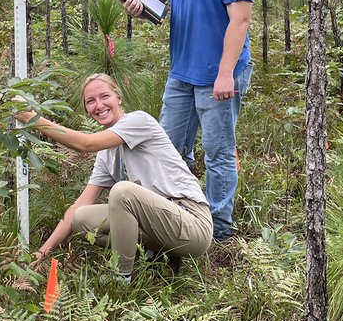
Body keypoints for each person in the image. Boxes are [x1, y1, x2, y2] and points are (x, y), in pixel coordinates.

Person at [120, 0, 253, 242]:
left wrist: (226, 74)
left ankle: (218, 231)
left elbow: (240, 21)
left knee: (219, 154)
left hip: (219, 75)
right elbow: (155, 6)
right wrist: (137, 7)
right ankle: (176, 216)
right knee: (165, 148)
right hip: (181, 73)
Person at [15, 73, 213, 281]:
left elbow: (85, 144)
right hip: (159, 224)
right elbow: (79, 204)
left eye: (104, 96)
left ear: (118, 97)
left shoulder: (139, 121)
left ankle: (121, 278)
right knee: (81, 219)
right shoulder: (106, 154)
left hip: (192, 223)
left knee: (122, 192)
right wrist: (42, 253)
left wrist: (32, 118)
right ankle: (160, 256)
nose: (99, 105)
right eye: (90, 101)